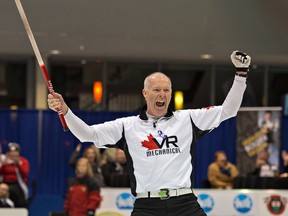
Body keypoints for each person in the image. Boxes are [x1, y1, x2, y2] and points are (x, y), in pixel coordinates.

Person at [48, 50, 251, 216]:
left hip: (185, 205)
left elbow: (228, 110)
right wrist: (66, 111)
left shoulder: (188, 119)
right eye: (156, 90)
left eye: (166, 90)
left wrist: (241, 74)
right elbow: (87, 134)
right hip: (147, 207)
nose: (162, 94)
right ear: (145, 94)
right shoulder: (127, 127)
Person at [0, 143, 29, 208]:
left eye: (15, 152)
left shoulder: (23, 161)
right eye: (11, 152)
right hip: (5, 183)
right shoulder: (5, 160)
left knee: (14, 191)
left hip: (17, 184)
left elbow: (25, 173)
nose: (13, 154)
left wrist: (18, 164)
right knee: (2, 189)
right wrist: (3, 164)